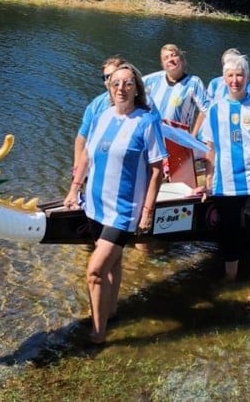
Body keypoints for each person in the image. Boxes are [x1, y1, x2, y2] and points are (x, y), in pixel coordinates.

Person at [64, 63, 166, 344]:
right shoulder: (102, 116)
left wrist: (147, 211)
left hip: (124, 210)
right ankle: (111, 311)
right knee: (114, 262)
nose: (121, 88)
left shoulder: (146, 122)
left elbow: (157, 170)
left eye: (128, 83)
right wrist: (74, 190)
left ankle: (97, 335)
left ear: (137, 89)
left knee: (95, 272)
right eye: (115, 83)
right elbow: (86, 157)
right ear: (109, 88)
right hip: (95, 205)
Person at [200, 54, 250, 302]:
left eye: (239, 75)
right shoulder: (214, 110)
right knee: (229, 233)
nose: (235, 80)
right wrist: (208, 180)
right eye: (230, 76)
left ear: (247, 77)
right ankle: (231, 278)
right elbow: (210, 148)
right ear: (224, 79)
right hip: (225, 184)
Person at [143, 43, 209, 136]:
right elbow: (132, 91)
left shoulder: (194, 83)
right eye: (166, 58)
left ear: (181, 59)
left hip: (177, 139)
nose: (170, 60)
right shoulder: (152, 80)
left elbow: (208, 110)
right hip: (152, 135)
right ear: (162, 64)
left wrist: (194, 136)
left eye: (173, 55)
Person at [73, 57, 125, 171]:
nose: (109, 80)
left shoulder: (139, 103)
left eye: (113, 75)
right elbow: (82, 137)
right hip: (96, 163)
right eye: (106, 77)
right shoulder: (95, 105)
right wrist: (77, 168)